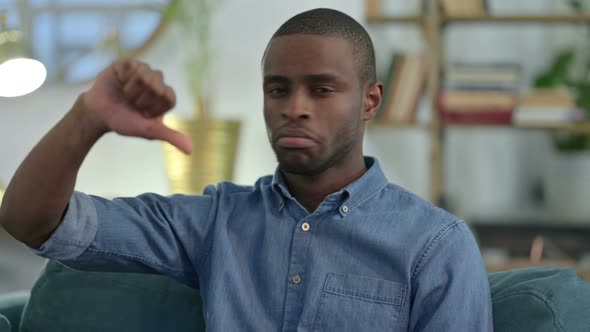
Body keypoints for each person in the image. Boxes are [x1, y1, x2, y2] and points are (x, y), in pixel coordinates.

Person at [0, 8, 493, 331]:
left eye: (321, 90)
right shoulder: (217, 219)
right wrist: (88, 118)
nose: (294, 107)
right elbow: (30, 222)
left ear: (370, 100)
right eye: (278, 89)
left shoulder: (435, 245)